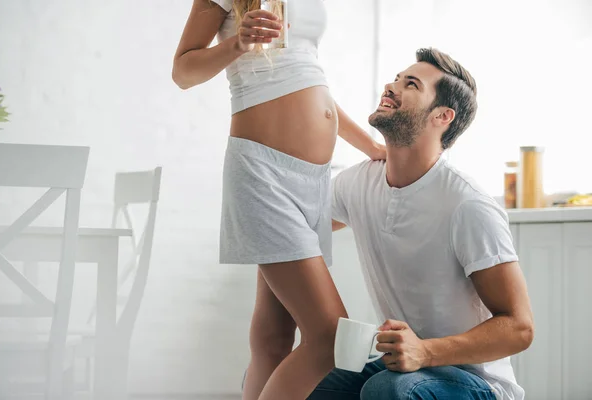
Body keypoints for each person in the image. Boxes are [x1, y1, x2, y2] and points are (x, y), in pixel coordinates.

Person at [172, 1, 386, 399]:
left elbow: (305, 79)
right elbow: (183, 72)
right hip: (262, 172)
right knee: (328, 337)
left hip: (313, 181)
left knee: (275, 338)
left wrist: (370, 145)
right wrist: (239, 42)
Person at [309, 48, 534, 400]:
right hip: (405, 365)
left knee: (388, 388)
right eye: (397, 78)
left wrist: (425, 352)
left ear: (442, 116)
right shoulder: (357, 184)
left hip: (478, 383)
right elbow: (304, 228)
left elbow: (519, 328)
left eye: (410, 84)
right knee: (289, 380)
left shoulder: (467, 204)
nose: (391, 86)